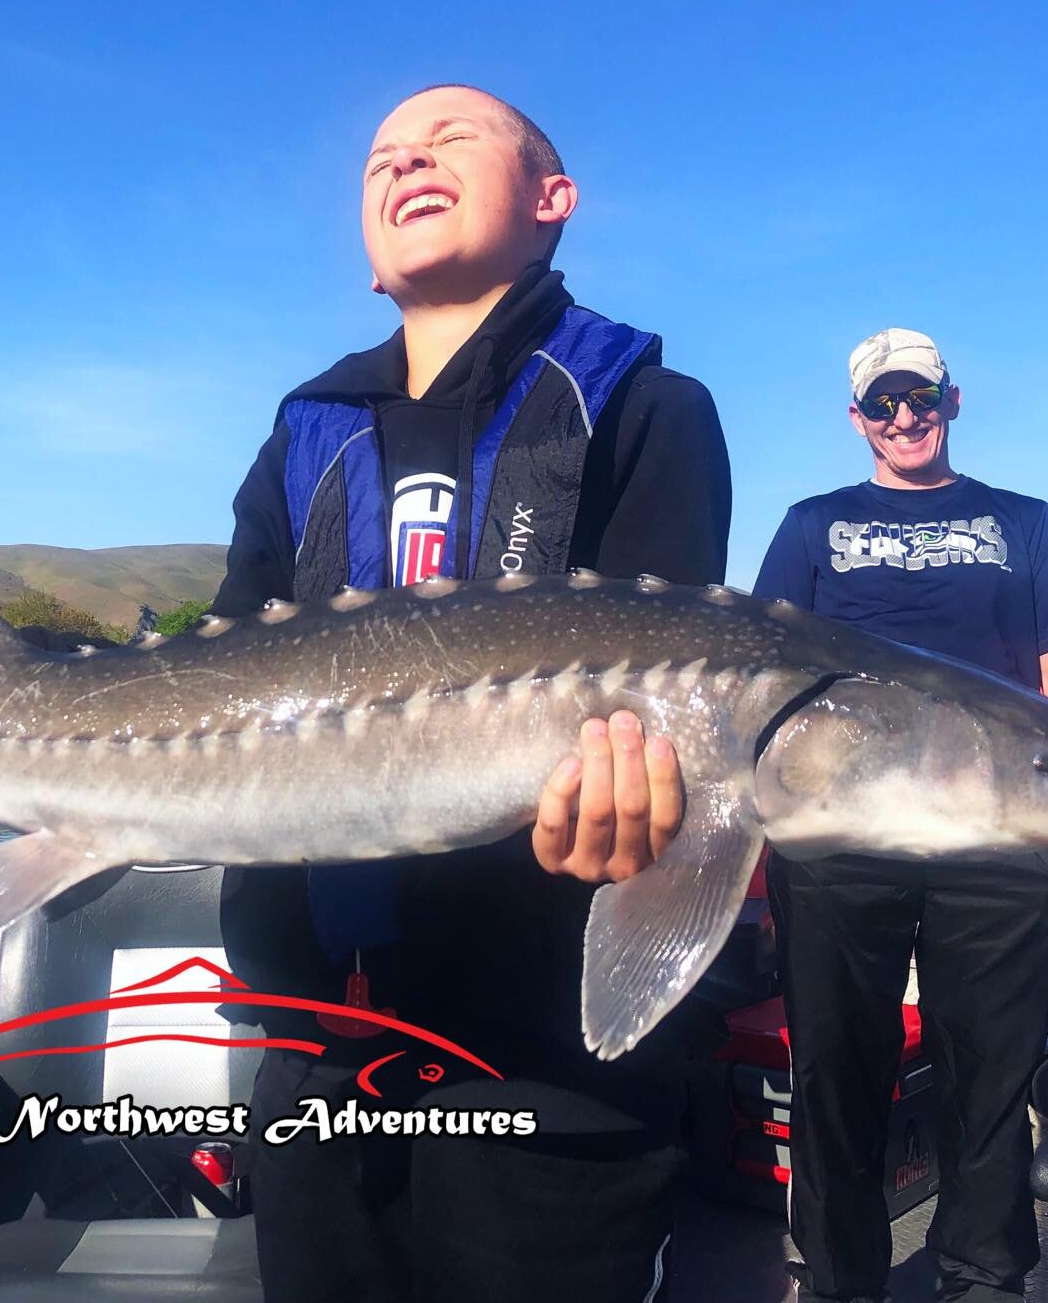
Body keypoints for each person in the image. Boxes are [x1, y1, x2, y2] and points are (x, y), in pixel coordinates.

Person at [212, 83, 730, 1302]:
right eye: (381, 157)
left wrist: (646, 803)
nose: (403, 164)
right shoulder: (306, 428)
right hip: (313, 1039)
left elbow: (673, 700)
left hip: (544, 1057)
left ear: (551, 203)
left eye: (447, 142)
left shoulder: (646, 409)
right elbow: (218, 666)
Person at [751, 328, 1048, 1303]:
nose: (903, 417)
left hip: (995, 829)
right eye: (883, 403)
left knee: (988, 1070)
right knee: (834, 1067)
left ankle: (981, 1277)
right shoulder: (807, 526)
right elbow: (765, 680)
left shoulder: (1023, 523)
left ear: (952, 402)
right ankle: (838, 1282)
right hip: (839, 829)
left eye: (920, 398)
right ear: (856, 418)